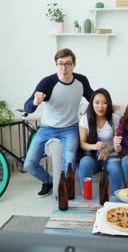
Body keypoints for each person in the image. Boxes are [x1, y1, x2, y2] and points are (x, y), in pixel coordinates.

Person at [23, 48, 94, 197]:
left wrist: (109, 106)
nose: (64, 68)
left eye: (68, 63)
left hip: (70, 128)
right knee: (28, 164)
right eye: (60, 63)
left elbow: (93, 98)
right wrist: (36, 101)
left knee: (69, 161)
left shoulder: (81, 81)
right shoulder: (47, 82)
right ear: (56, 65)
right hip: (46, 128)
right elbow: (27, 107)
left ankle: (66, 192)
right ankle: (47, 180)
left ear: (74, 65)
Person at [78, 88, 123, 194]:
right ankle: (87, 196)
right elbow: (82, 143)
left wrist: (107, 151)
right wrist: (94, 146)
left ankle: (114, 201)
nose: (100, 106)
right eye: (97, 102)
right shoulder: (85, 119)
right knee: (85, 162)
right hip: (92, 156)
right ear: (92, 103)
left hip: (111, 156)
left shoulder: (114, 118)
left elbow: (117, 143)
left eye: (104, 103)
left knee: (116, 170)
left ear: (108, 104)